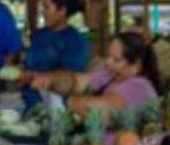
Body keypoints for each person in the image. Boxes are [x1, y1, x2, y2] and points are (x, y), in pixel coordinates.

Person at [31, 31, 159, 116]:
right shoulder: (110, 76)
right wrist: (51, 79)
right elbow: (75, 81)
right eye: (108, 56)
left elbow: (103, 109)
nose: (108, 63)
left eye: (116, 60)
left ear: (135, 66)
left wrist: (66, 102)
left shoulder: (140, 86)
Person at [18, 0, 90, 109]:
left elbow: (69, 80)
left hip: (57, 108)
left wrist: (30, 76)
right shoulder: (39, 35)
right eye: (42, 8)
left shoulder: (77, 42)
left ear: (62, 10)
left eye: (46, 8)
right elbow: (30, 65)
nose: (42, 12)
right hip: (28, 103)